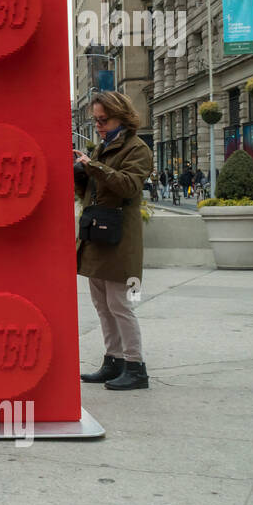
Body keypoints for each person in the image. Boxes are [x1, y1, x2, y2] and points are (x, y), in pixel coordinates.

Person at [75, 91, 154, 391]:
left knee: (120, 304)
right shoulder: (103, 148)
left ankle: (136, 366)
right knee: (102, 304)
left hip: (121, 237)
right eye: (96, 120)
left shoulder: (137, 148)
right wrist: (81, 176)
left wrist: (93, 167)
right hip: (98, 234)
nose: (99, 125)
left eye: (103, 120)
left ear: (121, 116)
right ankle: (114, 360)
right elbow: (94, 192)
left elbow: (129, 186)